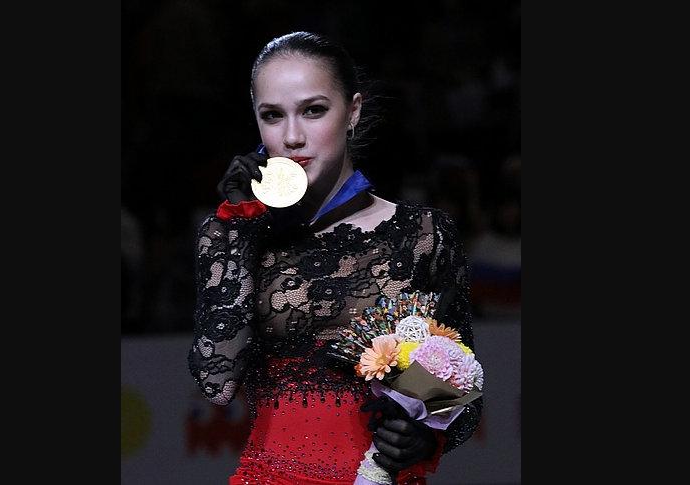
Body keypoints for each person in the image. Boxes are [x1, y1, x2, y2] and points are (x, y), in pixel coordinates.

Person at [188, 31, 482, 485]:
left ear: (353, 111)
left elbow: (461, 386)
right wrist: (239, 227)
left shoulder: (422, 235)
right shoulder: (232, 235)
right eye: (272, 115)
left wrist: (424, 436)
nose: (291, 136)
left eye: (313, 110)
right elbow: (217, 383)